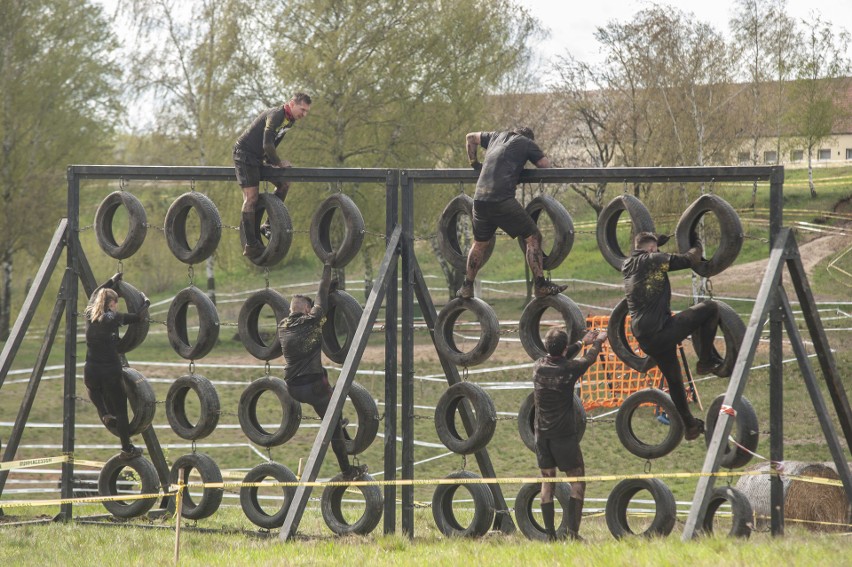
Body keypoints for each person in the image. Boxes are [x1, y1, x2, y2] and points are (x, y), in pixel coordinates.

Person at [621, 231, 725, 441]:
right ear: (652, 250)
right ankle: (706, 360)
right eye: (656, 249)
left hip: (645, 337)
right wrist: (696, 242)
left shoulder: (628, 264)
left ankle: (690, 426)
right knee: (710, 309)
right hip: (661, 330)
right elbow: (689, 259)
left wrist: (657, 241)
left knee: (675, 380)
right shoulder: (653, 259)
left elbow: (647, 249)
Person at [278, 264, 366, 480]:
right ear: (307, 310)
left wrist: (326, 293)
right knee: (333, 426)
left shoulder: (282, 326)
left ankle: (340, 427)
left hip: (294, 387)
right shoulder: (311, 320)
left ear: (291, 309)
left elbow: (319, 299)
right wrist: (327, 267)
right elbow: (319, 299)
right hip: (314, 387)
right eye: (312, 307)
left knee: (328, 400)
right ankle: (347, 471)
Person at [458, 127, 567, 300]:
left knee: (479, 244)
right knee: (533, 236)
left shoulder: (495, 136)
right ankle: (540, 285)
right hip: (501, 199)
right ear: (530, 138)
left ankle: (466, 286)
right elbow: (545, 166)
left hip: (479, 199)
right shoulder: (527, 143)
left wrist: (474, 163)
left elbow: (470, 137)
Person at [534, 327, 608, 541]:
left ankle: (550, 536)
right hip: (563, 436)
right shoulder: (569, 369)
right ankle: (572, 534)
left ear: (547, 347)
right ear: (564, 348)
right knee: (578, 481)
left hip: (541, 435)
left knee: (547, 482)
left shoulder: (538, 366)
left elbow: (561, 355)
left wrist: (581, 342)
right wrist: (597, 341)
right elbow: (589, 359)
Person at [233, 92, 312, 258]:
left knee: (284, 184)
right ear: (292, 103)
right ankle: (251, 244)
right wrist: (278, 162)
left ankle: (267, 225)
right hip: (245, 155)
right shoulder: (276, 115)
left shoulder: (290, 121)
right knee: (251, 198)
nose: (304, 115)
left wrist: (270, 161)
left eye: (306, 112)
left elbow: (274, 143)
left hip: (260, 158)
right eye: (302, 109)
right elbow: (267, 143)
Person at [84, 273, 150, 460]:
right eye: (116, 302)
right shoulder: (113, 317)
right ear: (111, 303)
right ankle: (126, 448)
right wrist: (145, 301)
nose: (117, 305)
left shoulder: (89, 314)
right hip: (110, 371)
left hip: (90, 370)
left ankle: (104, 413)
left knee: (94, 392)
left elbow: (96, 292)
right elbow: (138, 317)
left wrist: (112, 280)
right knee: (121, 411)